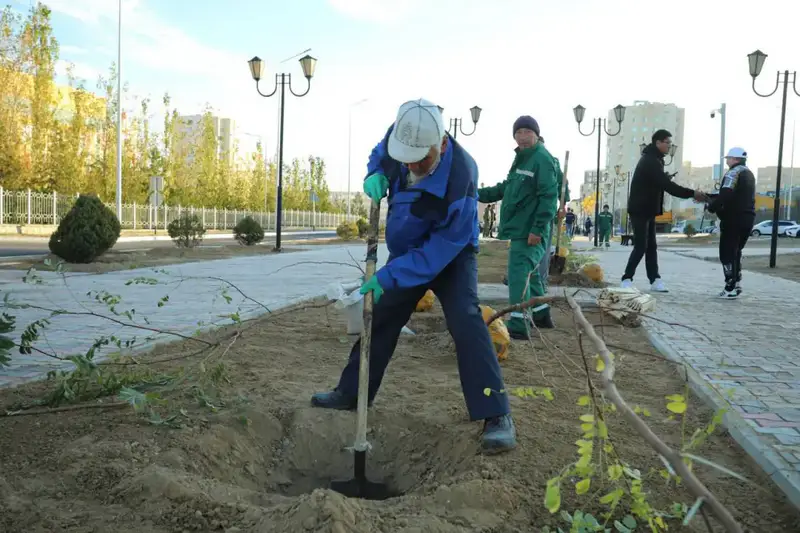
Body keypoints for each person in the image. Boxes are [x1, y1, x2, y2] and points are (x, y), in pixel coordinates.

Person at [311, 98, 516, 453]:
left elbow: (440, 250)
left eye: (420, 159)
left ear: (439, 144)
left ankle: (496, 413)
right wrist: (374, 172)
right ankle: (351, 392)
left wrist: (391, 275)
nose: (412, 165)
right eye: (406, 159)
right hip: (407, 251)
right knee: (382, 315)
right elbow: (381, 154)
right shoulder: (402, 137)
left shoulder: (461, 177)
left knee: (466, 320)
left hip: (450, 254)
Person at [478, 116, 558, 338]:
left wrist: (538, 229)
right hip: (521, 227)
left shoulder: (541, 159)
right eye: (518, 133)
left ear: (536, 134)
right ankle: (541, 314)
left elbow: (549, 197)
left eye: (527, 132)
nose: (522, 137)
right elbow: (508, 186)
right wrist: (478, 193)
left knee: (518, 274)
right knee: (530, 274)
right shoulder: (523, 158)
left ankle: (518, 325)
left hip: (529, 230)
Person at [621, 129, 707, 292]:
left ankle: (655, 280)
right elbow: (667, 187)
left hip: (649, 209)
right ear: (657, 143)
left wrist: (664, 178)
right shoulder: (650, 160)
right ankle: (626, 279)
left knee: (651, 246)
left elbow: (657, 181)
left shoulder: (655, 160)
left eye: (670, 143)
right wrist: (692, 193)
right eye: (667, 142)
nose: (669, 146)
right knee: (641, 245)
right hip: (640, 209)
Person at [707, 147, 756, 299]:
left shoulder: (733, 173)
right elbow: (737, 195)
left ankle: (730, 287)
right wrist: (710, 196)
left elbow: (726, 193)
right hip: (748, 218)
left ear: (735, 159)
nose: (727, 161)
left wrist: (712, 206)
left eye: (728, 158)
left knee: (727, 252)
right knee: (737, 251)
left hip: (733, 218)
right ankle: (737, 283)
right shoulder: (749, 174)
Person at [535, 136, 569, 290]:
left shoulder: (550, 161)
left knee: (542, 247)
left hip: (543, 210)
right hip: (528, 211)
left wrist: (562, 206)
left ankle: (540, 280)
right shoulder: (523, 159)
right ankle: (528, 278)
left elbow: (562, 184)